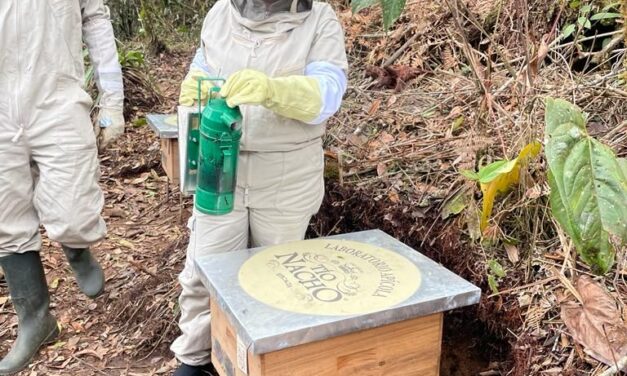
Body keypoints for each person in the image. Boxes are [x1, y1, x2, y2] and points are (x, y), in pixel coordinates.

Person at [172, 0, 348, 374]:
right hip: (218, 166)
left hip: (285, 176)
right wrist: (193, 85)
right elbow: (202, 65)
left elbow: (328, 94)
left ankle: (262, 365)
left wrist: (273, 91)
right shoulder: (220, 13)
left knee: (278, 282)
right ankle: (196, 359)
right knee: (206, 269)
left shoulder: (320, 19)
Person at [0, 0, 124, 373]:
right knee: (6, 216)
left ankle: (77, 248)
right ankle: (36, 321)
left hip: (57, 98)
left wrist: (113, 101)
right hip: (2, 104)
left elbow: (97, 21)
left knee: (74, 206)